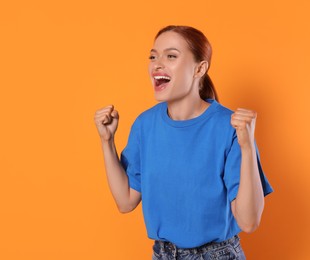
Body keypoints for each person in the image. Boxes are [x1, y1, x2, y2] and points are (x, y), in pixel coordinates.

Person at [94, 25, 273, 260]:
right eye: (153, 56)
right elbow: (126, 201)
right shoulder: (145, 125)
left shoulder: (229, 127)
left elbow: (248, 222)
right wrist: (107, 141)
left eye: (171, 56)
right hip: (164, 254)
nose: (157, 64)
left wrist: (248, 147)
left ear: (200, 68)